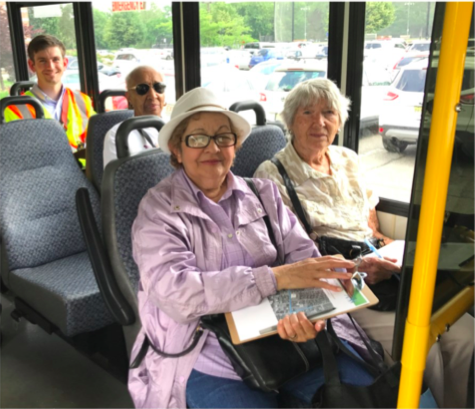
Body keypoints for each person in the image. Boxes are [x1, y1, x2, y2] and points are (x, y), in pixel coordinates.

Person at [128, 87, 378, 409]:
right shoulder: (158, 209)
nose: (212, 148)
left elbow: (304, 259)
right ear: (177, 150)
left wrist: (310, 318)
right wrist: (275, 278)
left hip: (289, 338)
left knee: (376, 394)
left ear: (236, 145)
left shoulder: (264, 193)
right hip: (206, 352)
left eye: (223, 137)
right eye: (197, 138)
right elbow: (177, 293)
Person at [254, 78, 474, 408]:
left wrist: (385, 248)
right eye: (307, 113)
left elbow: (368, 215)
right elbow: (289, 254)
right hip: (336, 282)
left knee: (464, 333)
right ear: (289, 120)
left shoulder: (348, 159)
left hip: (375, 264)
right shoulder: (272, 174)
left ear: (340, 119)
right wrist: (358, 268)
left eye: (329, 112)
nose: (319, 122)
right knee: (421, 346)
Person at [4, 35, 95, 153]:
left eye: (56, 59)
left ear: (65, 63)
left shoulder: (83, 101)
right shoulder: (13, 109)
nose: (50, 67)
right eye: (42, 61)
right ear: (32, 66)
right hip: (41, 171)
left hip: (83, 170)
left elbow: (96, 139)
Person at [102, 65, 166, 167]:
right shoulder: (118, 136)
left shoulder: (177, 127)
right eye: (142, 89)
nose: (153, 95)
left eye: (158, 87)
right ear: (129, 97)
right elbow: (119, 182)